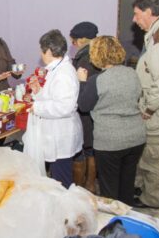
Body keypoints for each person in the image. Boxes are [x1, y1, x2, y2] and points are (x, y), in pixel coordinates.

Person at [77, 36, 146, 206]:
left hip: (110, 142)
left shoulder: (97, 80)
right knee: (127, 186)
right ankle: (128, 220)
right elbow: (137, 96)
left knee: (109, 191)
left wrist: (82, 83)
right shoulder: (132, 73)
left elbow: (84, 106)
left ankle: (114, 226)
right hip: (136, 137)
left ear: (96, 55)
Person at [24, 29, 83, 188]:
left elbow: (64, 106)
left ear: (49, 51)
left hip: (61, 135)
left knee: (62, 182)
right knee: (57, 179)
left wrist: (36, 107)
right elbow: (53, 96)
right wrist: (38, 92)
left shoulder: (63, 73)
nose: (40, 54)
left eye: (41, 49)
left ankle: (67, 211)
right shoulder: (56, 69)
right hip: (56, 133)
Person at [132, 0, 159, 208]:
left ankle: (152, 200)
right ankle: (144, 189)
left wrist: (148, 109)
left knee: (155, 159)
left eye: (137, 14)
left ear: (149, 12)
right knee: (149, 156)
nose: (134, 19)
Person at [69, 22, 100, 193]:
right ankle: (90, 183)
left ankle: (83, 185)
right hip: (94, 106)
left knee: (83, 147)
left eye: (74, 41)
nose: (73, 45)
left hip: (85, 105)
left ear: (82, 40)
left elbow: (83, 84)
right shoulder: (96, 53)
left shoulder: (85, 58)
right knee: (91, 148)